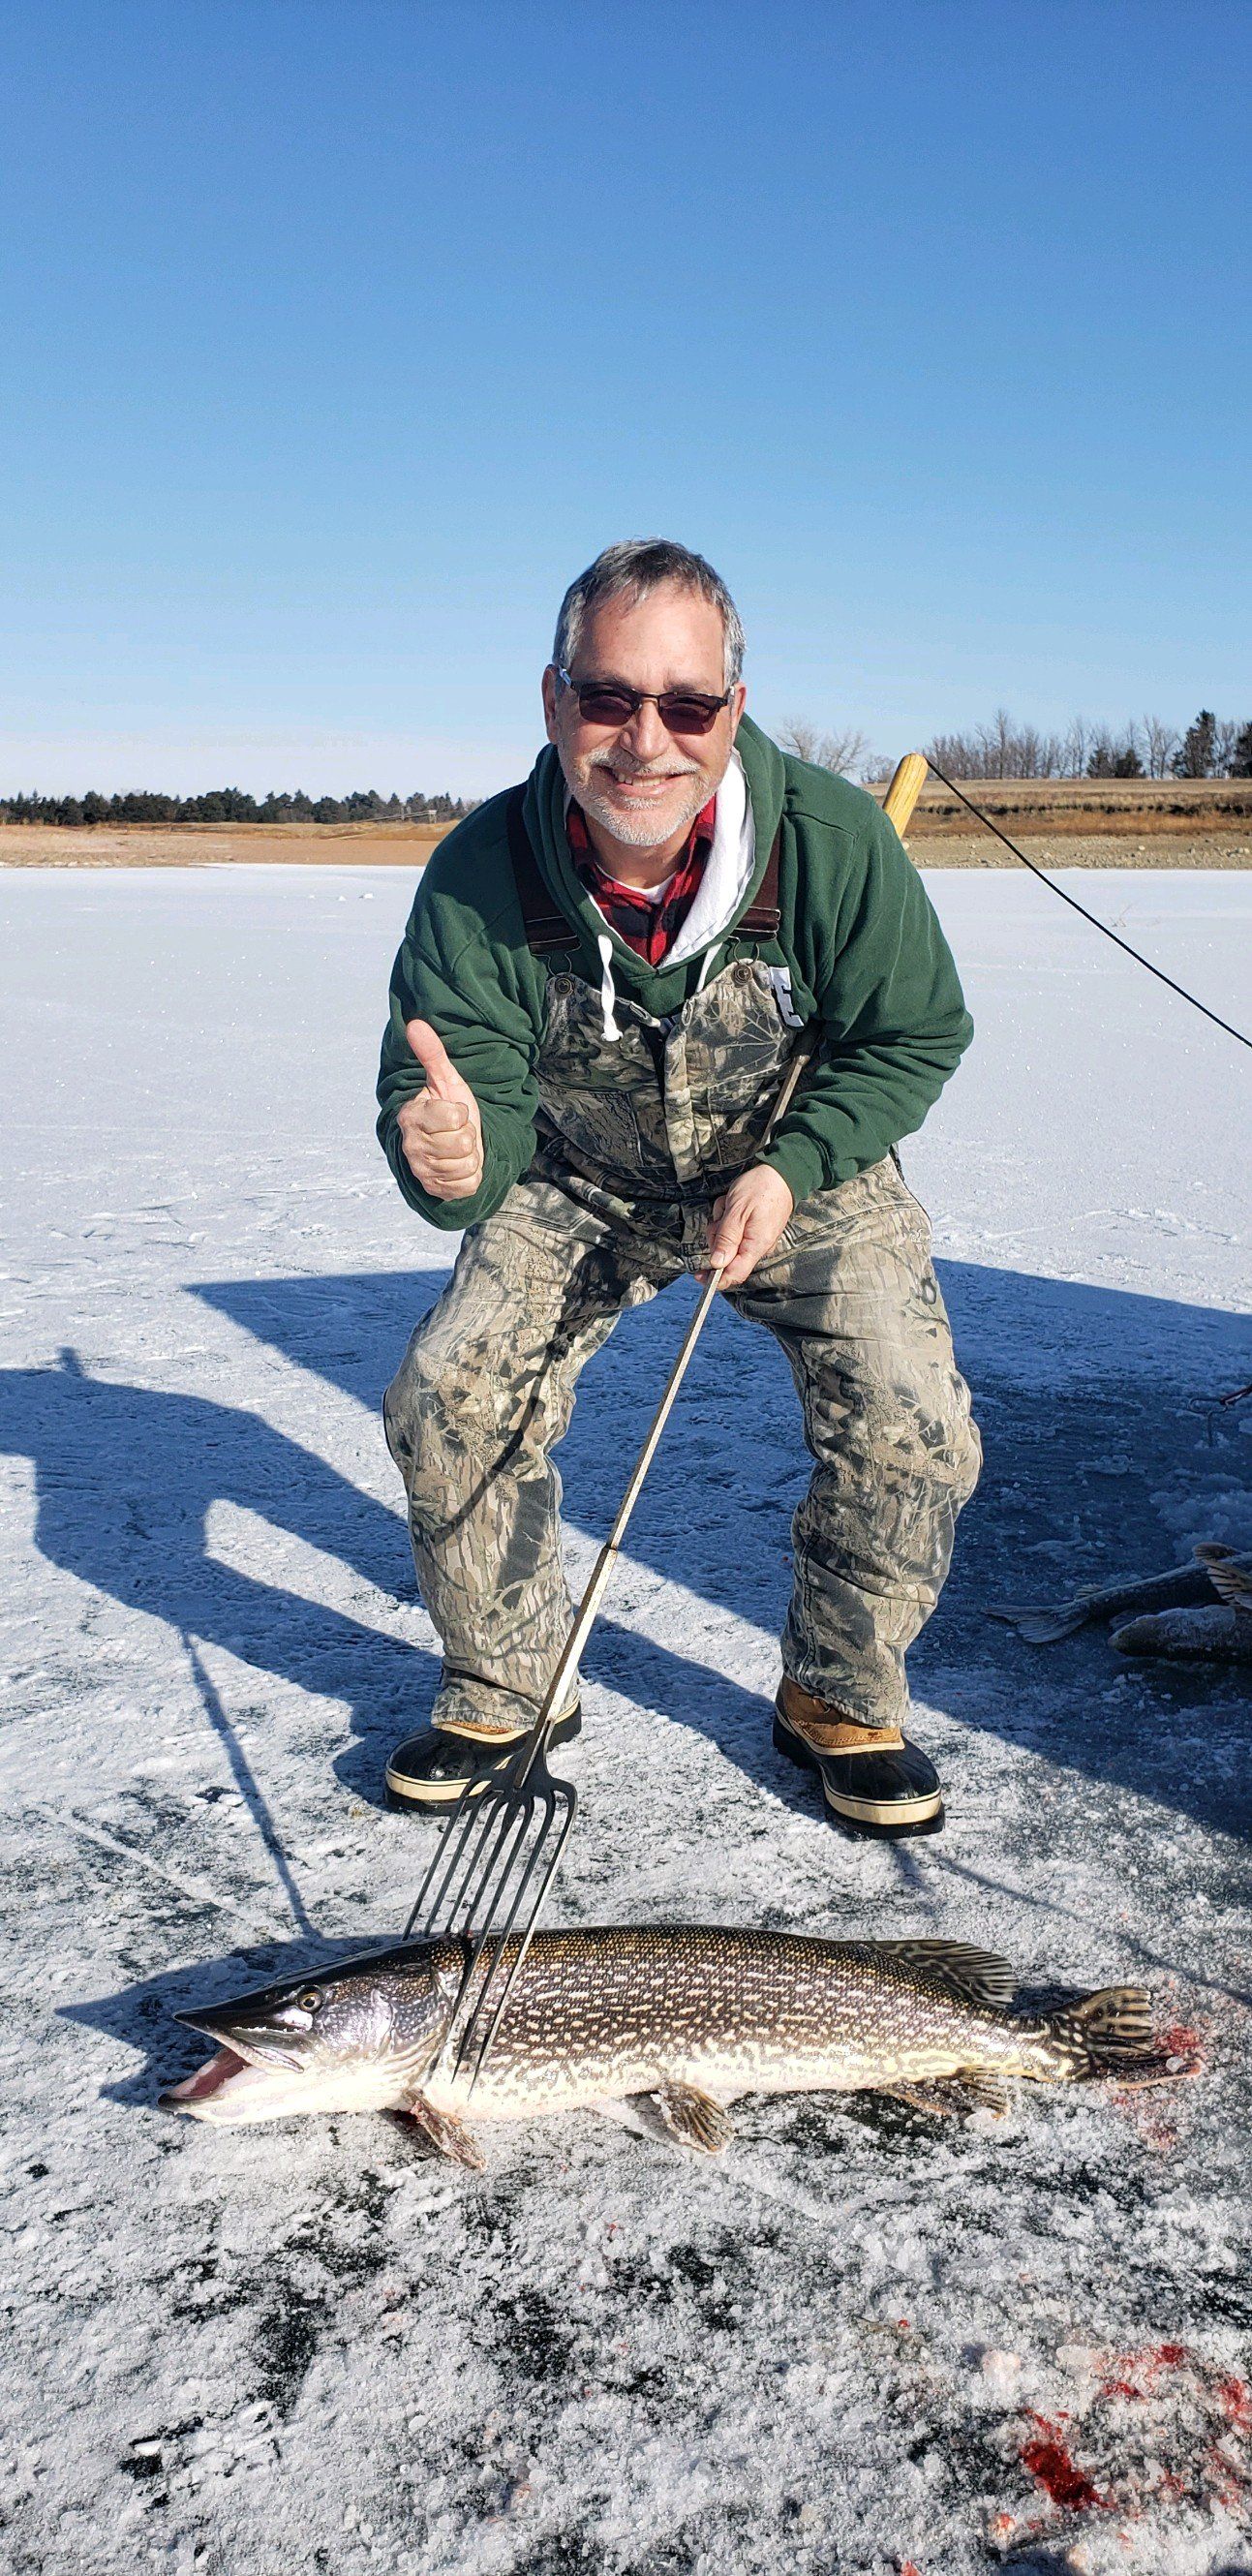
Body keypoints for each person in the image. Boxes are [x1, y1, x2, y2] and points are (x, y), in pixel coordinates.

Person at [377, 538, 981, 1838]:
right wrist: (450, 1163)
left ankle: (837, 1694)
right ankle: (509, 1683)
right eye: (607, 697)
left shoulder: (828, 845)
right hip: (577, 1176)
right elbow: (446, 1086)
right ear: (553, 702)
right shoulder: (483, 872)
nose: (645, 741)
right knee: (449, 1393)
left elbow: (912, 1033)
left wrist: (796, 1163)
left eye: (685, 705)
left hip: (796, 1161)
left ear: (730, 715)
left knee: (908, 1416)